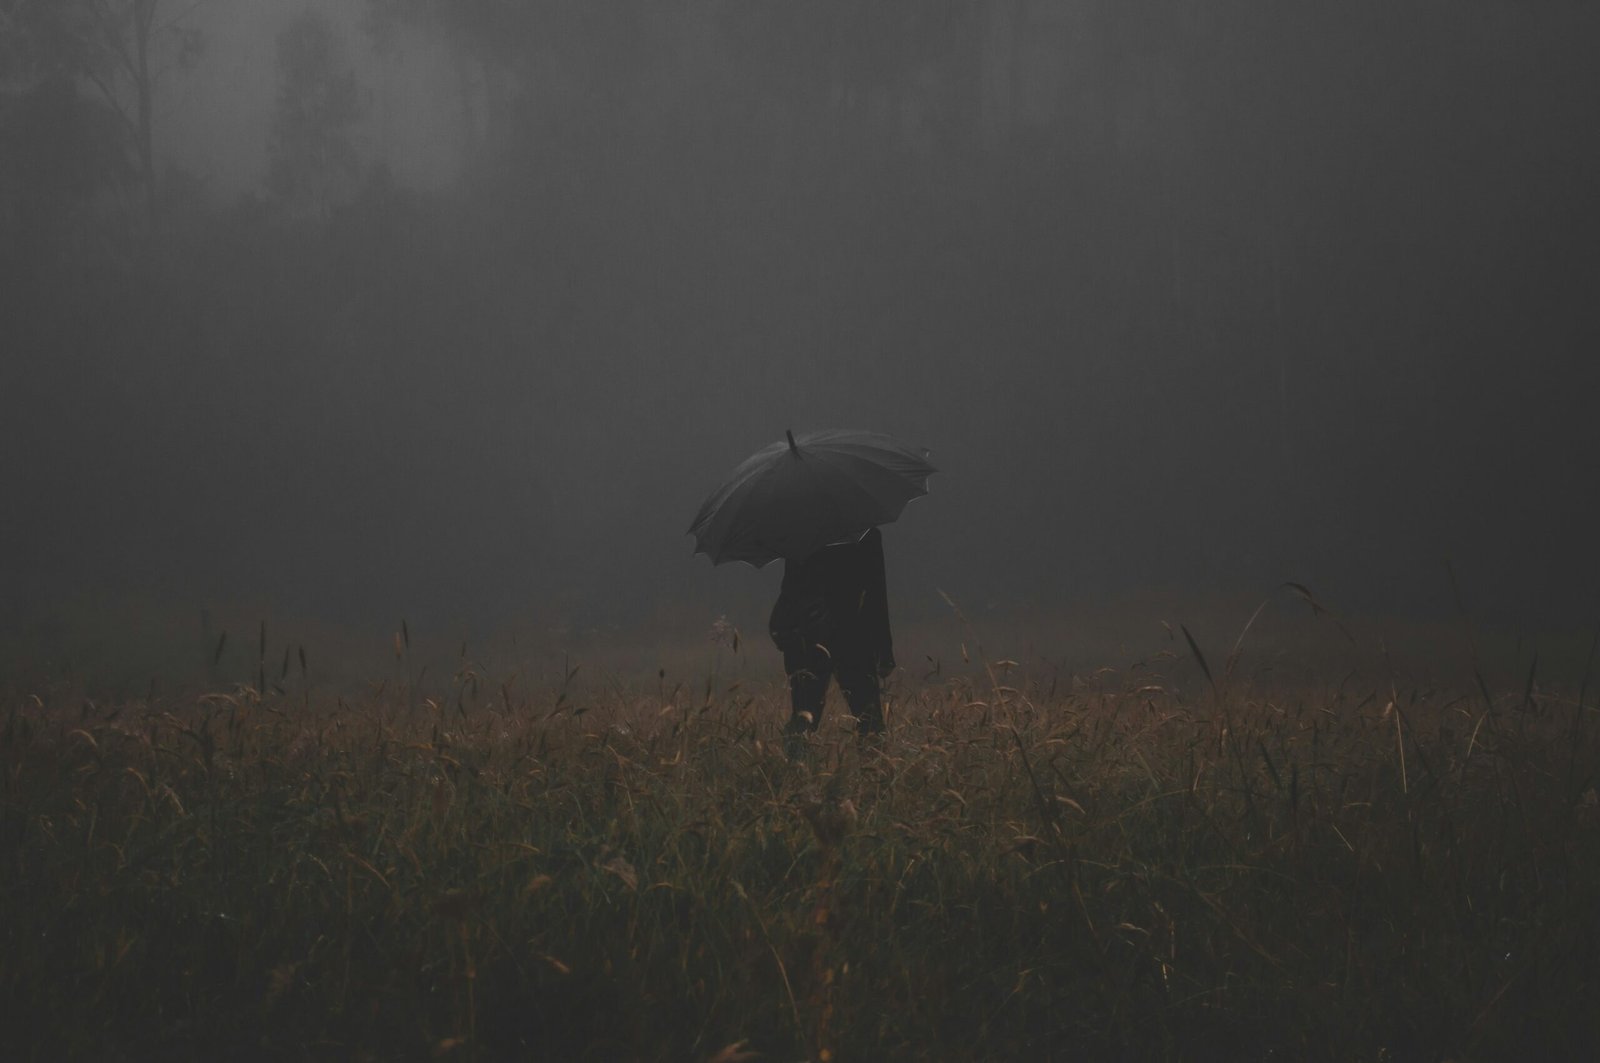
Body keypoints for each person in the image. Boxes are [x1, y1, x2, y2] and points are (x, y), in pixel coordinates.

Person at [768, 525, 896, 744]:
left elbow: (791, 589)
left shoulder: (800, 533)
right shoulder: (865, 532)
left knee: (803, 717)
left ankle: (795, 764)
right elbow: (875, 595)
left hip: (808, 635)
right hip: (852, 635)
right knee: (870, 721)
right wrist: (884, 650)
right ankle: (875, 766)